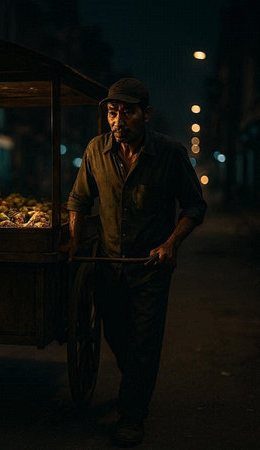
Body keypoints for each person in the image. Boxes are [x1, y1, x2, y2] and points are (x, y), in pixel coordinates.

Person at [65, 78, 206, 446]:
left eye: (126, 112)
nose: (117, 120)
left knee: (144, 341)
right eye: (112, 112)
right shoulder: (96, 150)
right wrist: (74, 244)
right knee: (116, 335)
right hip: (109, 267)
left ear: (146, 115)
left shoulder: (170, 153)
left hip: (151, 268)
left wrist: (172, 243)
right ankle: (137, 386)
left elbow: (194, 206)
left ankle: (132, 415)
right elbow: (79, 202)